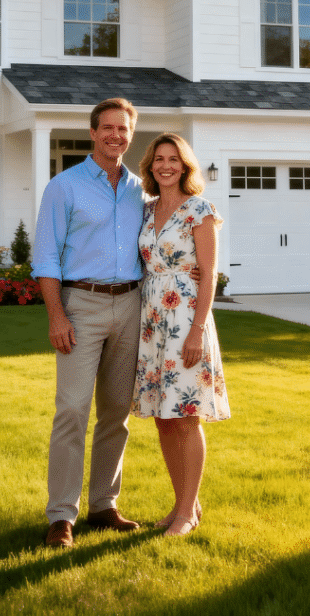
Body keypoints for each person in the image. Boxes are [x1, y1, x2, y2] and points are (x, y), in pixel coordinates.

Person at [33, 98, 146, 549]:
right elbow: (45, 256)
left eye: (123, 129)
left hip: (132, 305)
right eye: (107, 128)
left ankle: (104, 505)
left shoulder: (142, 189)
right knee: (72, 411)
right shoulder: (65, 186)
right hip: (81, 304)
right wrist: (57, 315)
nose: (114, 135)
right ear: (93, 132)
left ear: (130, 134)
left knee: (117, 413)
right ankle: (61, 515)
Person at [131, 133, 230, 537]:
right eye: (159, 159)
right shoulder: (147, 210)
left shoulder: (200, 210)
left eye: (174, 159)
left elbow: (209, 274)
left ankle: (188, 513)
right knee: (163, 419)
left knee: (186, 417)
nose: (165, 165)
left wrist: (195, 331)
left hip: (187, 320)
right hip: (153, 322)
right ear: (150, 166)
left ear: (186, 165)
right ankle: (182, 504)